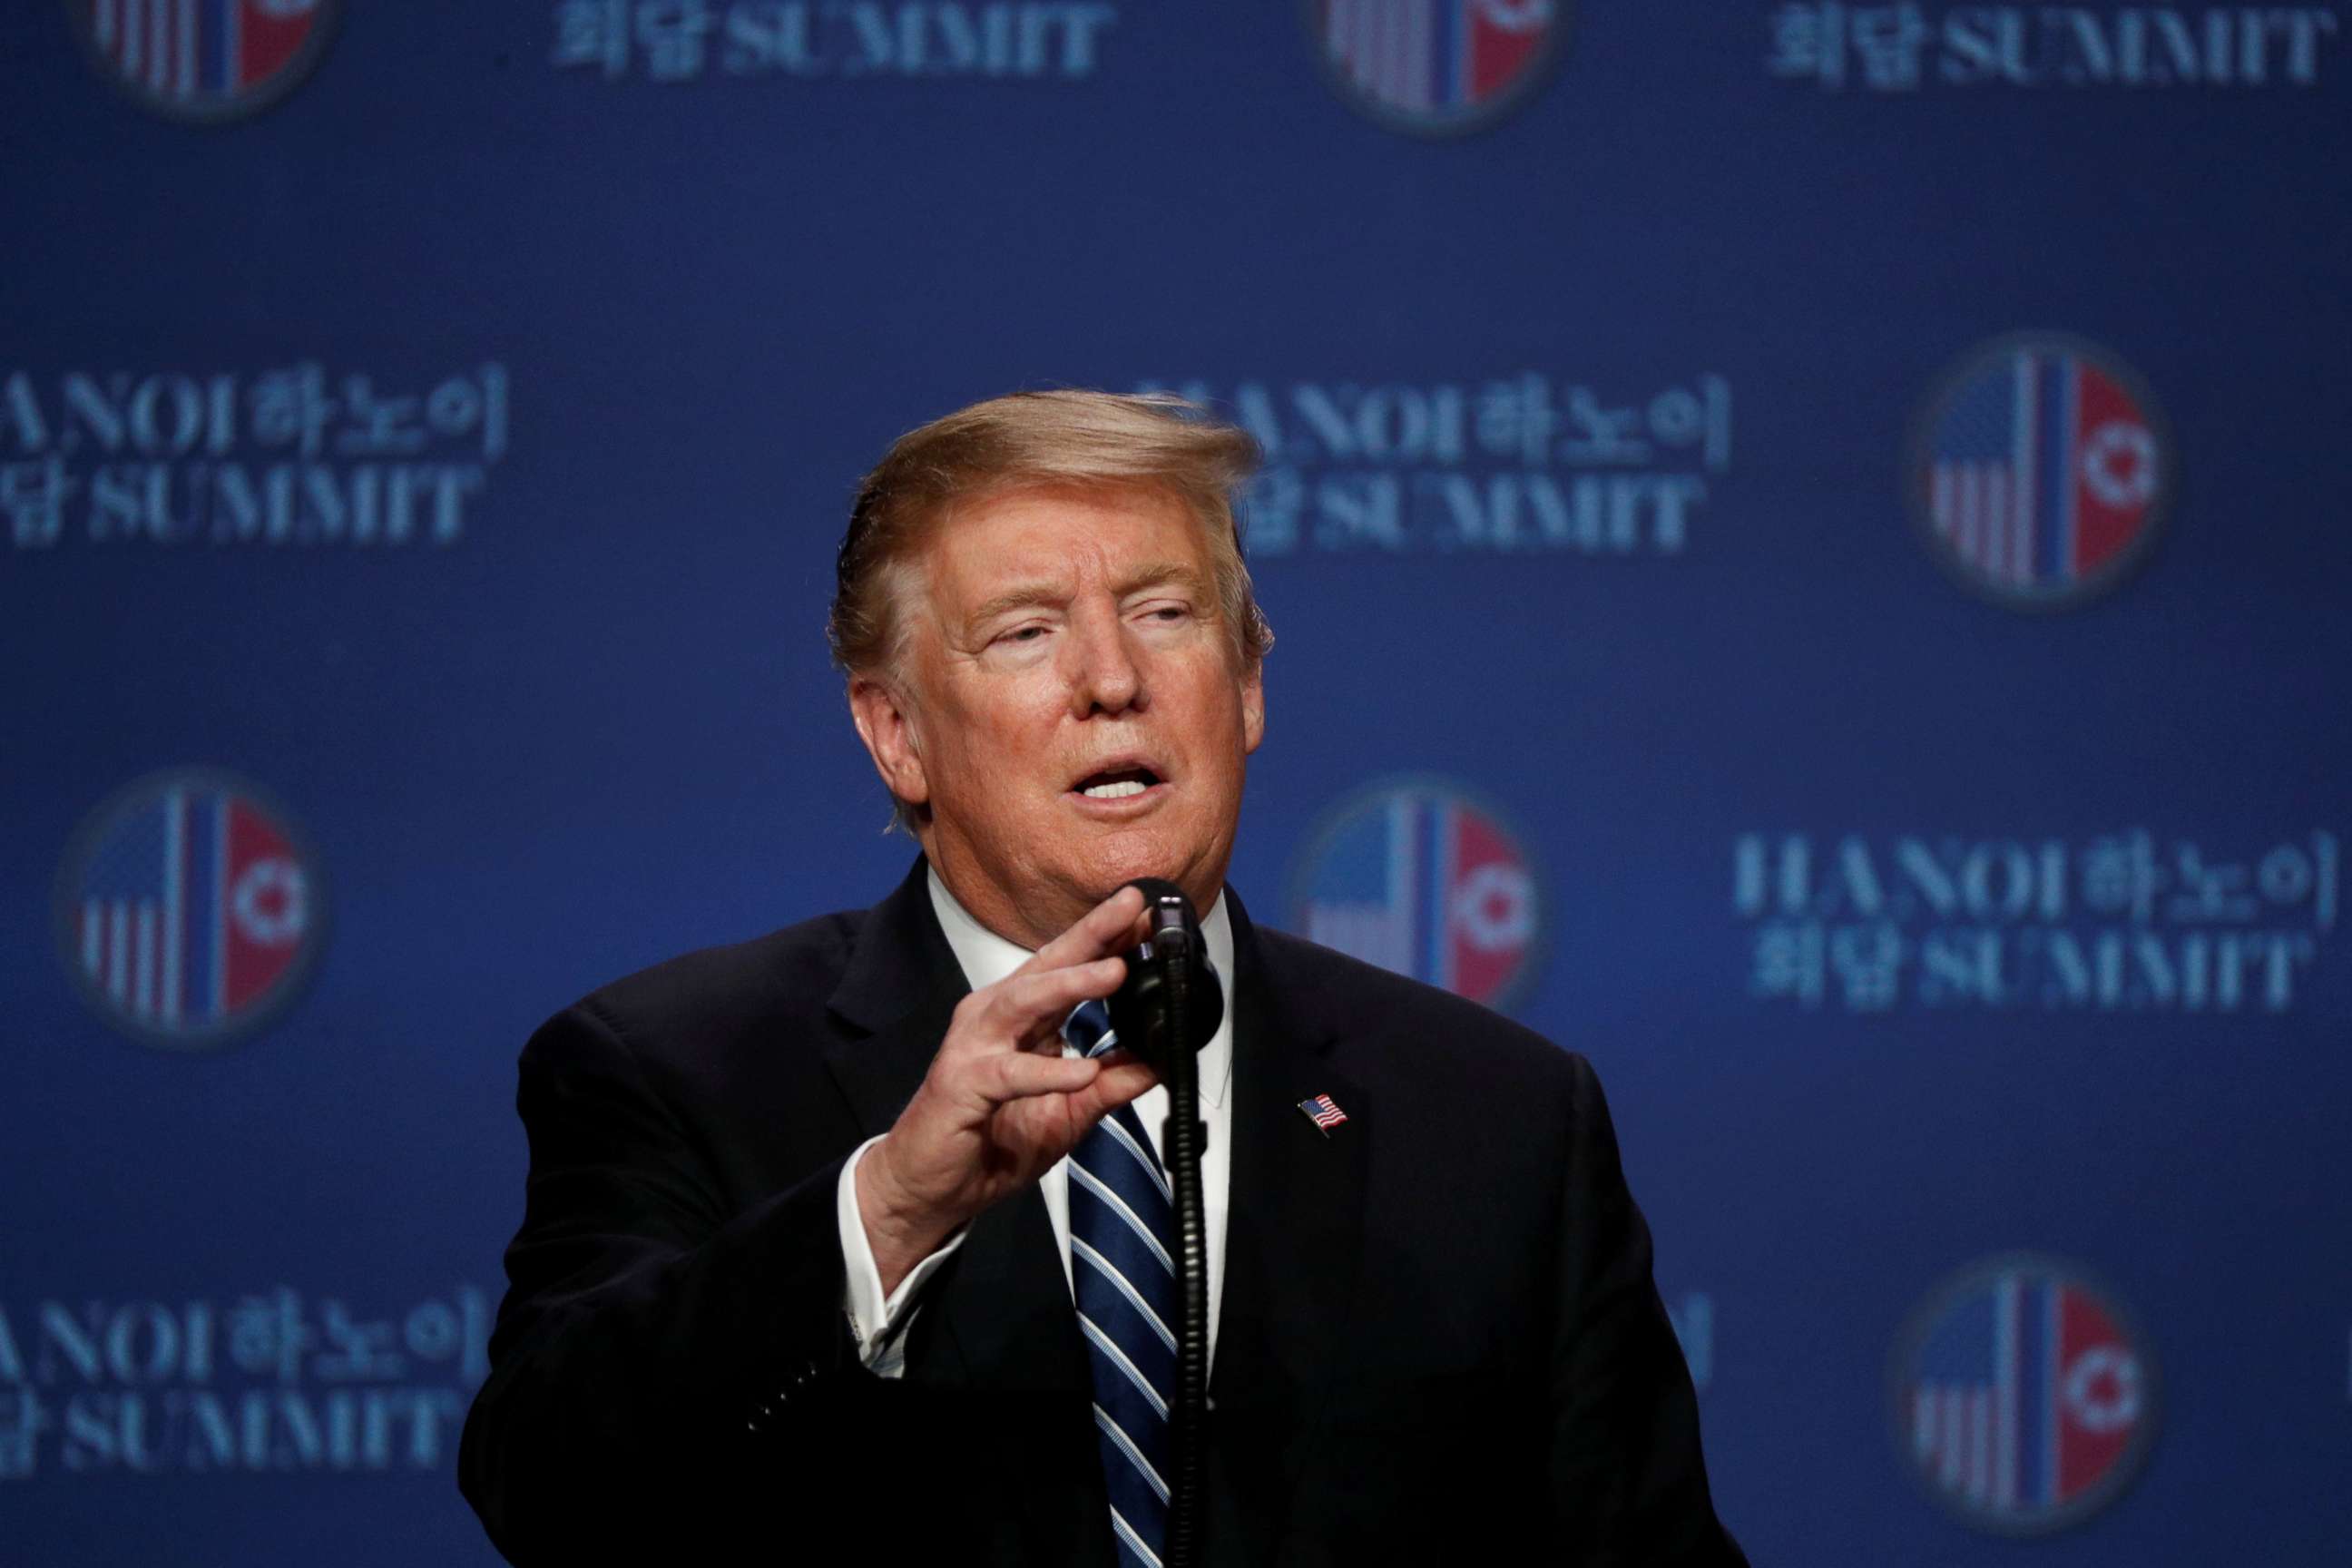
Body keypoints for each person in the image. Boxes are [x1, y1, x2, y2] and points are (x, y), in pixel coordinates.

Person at [457, 391, 1746, 1565]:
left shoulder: (1500, 1118)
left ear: (1245, 685)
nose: (1114, 681)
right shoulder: (677, 1068)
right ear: (897, 733)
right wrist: (891, 1212)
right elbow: (552, 1493)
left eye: (1164, 613)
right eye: (1026, 632)